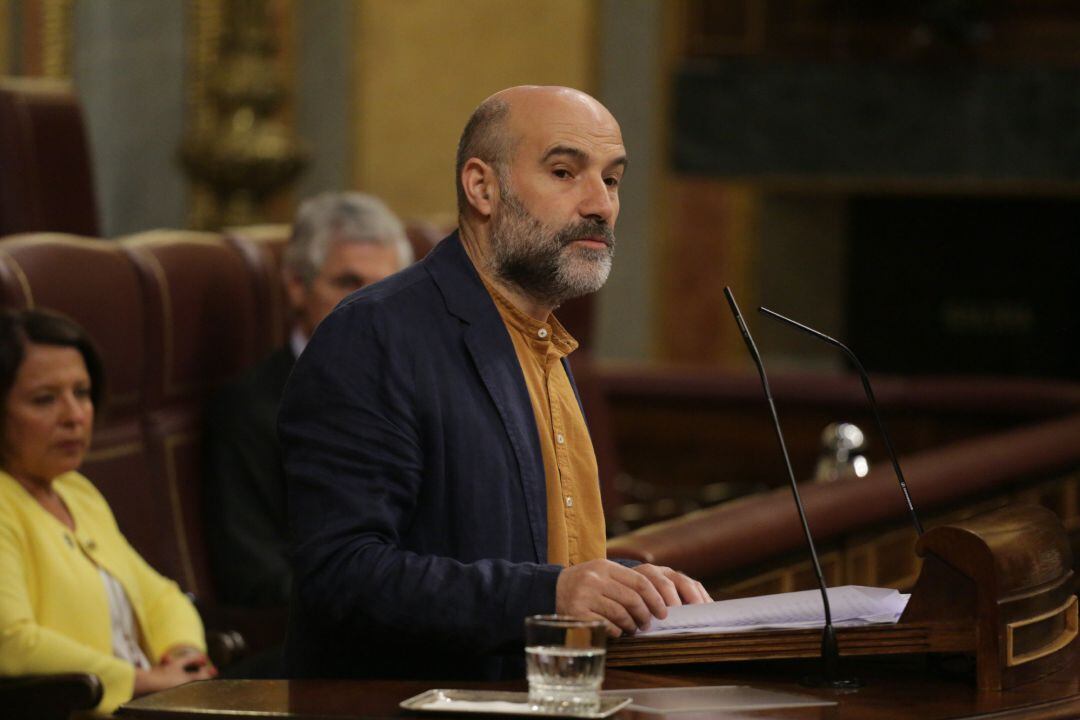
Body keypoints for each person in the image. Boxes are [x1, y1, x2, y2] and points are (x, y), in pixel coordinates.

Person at [279, 86, 711, 681]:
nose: (601, 205)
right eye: (565, 172)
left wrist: (628, 581)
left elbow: (527, 551)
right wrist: (552, 596)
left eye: (612, 180)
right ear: (482, 187)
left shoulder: (544, 341)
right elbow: (341, 573)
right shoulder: (375, 335)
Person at [0, 308, 215, 714]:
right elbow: (10, 642)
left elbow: (161, 596)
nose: (74, 416)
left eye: (81, 393)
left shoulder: (75, 490)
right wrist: (142, 682)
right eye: (45, 399)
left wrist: (183, 655)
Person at [204, 192, 412, 607]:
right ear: (297, 286)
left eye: (386, 287)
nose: (369, 307)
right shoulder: (250, 411)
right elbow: (256, 577)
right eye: (348, 284)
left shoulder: (419, 394)